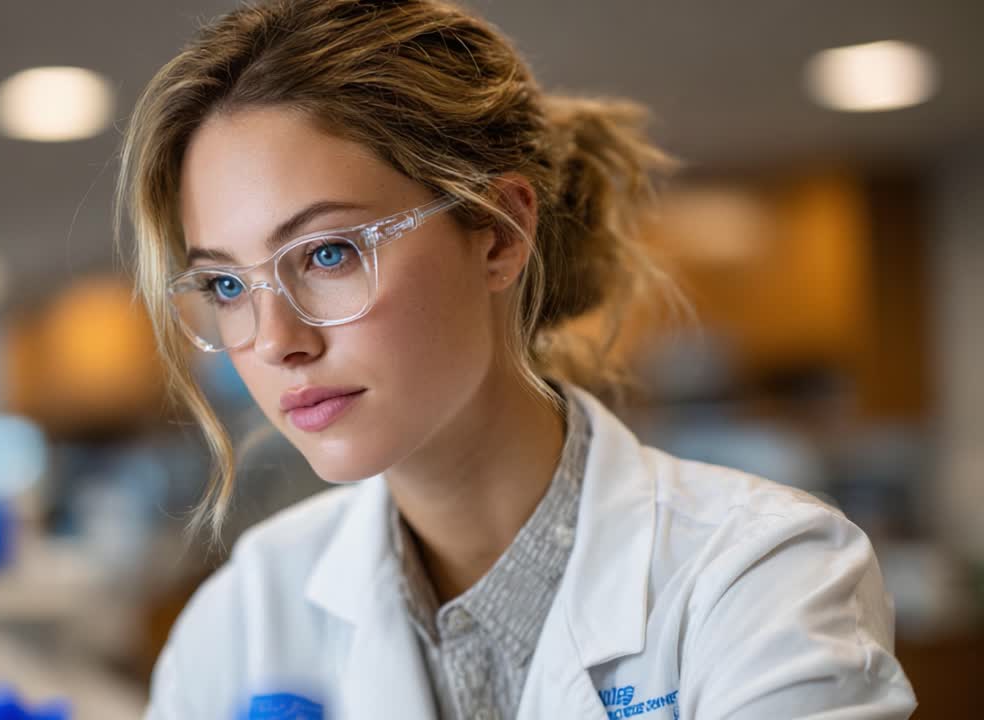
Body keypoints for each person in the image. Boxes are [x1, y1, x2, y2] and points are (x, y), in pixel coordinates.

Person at [114, 0, 917, 717]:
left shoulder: (760, 576)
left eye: (328, 254)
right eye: (226, 284)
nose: (274, 341)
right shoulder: (240, 624)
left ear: (498, 232)